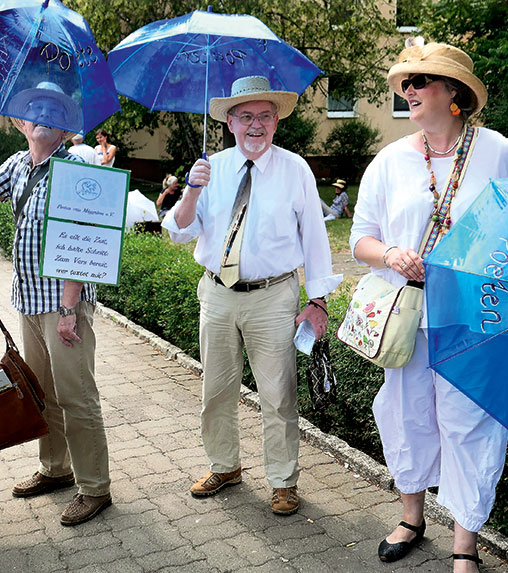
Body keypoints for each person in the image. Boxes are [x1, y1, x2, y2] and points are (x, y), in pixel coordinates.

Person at [350, 39, 508, 572]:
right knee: (406, 418)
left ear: (454, 92)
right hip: (407, 319)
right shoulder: (389, 161)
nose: (408, 90)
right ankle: (411, 516)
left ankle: (465, 544)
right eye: (405, 83)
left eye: (420, 81)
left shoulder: (499, 151)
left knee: (470, 425)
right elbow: (361, 239)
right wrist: (391, 252)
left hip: (476, 318)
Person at [163, 75, 341, 515]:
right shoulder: (210, 169)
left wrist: (317, 301)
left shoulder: (295, 168)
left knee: (279, 393)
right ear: (229, 122)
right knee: (216, 389)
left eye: (265, 116)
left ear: (277, 121)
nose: (256, 125)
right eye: (246, 117)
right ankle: (224, 466)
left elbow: (316, 238)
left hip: (273, 296)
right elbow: (178, 232)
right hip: (218, 293)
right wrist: (191, 189)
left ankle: (283, 480)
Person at [0, 80, 112, 527]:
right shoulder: (17, 164)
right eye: (35, 108)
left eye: (54, 110)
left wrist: (70, 308)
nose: (43, 115)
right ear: (21, 122)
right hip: (28, 298)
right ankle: (55, 468)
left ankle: (95, 487)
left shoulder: (76, 170)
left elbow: (83, 242)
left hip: (62, 304)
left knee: (76, 396)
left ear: (66, 128)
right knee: (42, 392)